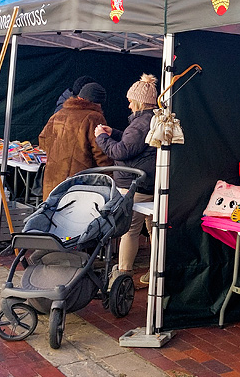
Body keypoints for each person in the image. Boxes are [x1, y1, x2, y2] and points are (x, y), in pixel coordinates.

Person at [93, 74, 158, 282]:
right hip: (150, 184)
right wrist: (115, 132)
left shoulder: (140, 123)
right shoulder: (153, 120)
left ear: (139, 101)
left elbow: (121, 152)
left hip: (134, 186)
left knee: (129, 230)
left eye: (131, 101)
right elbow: (137, 144)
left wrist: (101, 137)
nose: (129, 105)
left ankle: (123, 275)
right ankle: (155, 272)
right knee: (153, 229)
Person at [38, 81, 112, 197]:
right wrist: (109, 174)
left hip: (52, 177)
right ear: (98, 103)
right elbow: (100, 151)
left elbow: (43, 140)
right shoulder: (94, 117)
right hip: (79, 179)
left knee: (52, 212)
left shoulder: (59, 113)